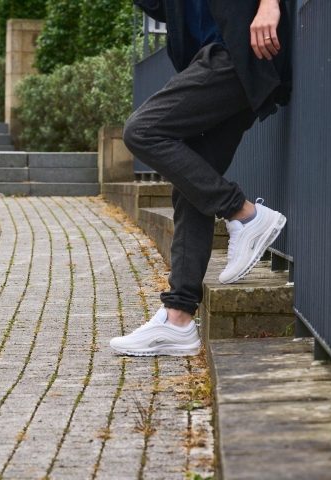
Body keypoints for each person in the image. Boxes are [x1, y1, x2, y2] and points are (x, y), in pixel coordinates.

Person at [109, 0, 291, 356]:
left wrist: (270, 5)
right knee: (190, 188)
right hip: (213, 58)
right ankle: (178, 318)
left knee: (142, 131)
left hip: (237, 52)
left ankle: (243, 213)